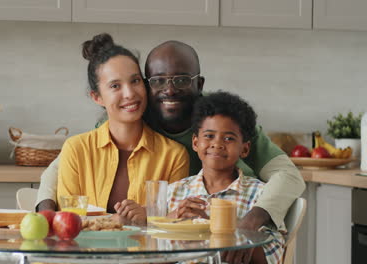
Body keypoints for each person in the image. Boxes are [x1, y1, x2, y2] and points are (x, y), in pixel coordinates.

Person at [36, 39, 305, 235]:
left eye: (181, 80)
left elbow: (288, 176)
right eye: (157, 81)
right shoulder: (132, 114)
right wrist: (48, 216)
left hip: (226, 222)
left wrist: (249, 223)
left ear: (199, 84)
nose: (169, 90)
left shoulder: (224, 118)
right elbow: (58, 169)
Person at [56, 33, 189, 224]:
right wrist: (117, 221)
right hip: (86, 253)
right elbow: (68, 221)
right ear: (97, 97)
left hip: (151, 253)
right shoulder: (76, 150)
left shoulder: (174, 156)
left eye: (135, 81)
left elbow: (176, 225)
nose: (129, 94)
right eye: (115, 86)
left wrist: (148, 217)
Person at [167, 91, 285, 264]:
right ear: (195, 143)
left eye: (229, 138)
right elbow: (152, 254)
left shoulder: (261, 196)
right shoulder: (175, 192)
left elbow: (273, 256)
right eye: (209, 136)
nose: (217, 144)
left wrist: (235, 236)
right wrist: (172, 222)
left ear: (244, 149)